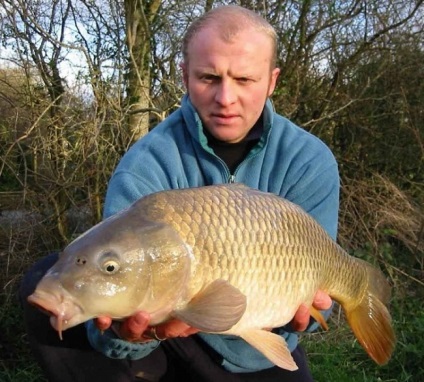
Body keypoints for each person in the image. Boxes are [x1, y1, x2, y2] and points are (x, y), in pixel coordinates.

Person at [20, 5, 339, 382]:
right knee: (45, 274)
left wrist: (312, 315)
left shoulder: (309, 160)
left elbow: (321, 304)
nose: (225, 97)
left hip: (260, 344)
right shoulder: (146, 164)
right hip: (167, 345)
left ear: (271, 82)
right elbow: (109, 329)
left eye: (245, 79)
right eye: (208, 77)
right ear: (185, 75)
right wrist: (134, 336)